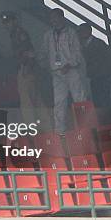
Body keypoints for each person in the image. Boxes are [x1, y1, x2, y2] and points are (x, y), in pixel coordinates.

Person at [2, 12, 52, 131]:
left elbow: (28, 52)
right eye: (5, 23)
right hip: (28, 69)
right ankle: (47, 127)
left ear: (14, 21)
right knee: (36, 99)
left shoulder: (19, 34)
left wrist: (25, 68)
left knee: (27, 101)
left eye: (8, 22)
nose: (6, 25)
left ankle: (32, 128)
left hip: (26, 69)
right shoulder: (15, 34)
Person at [41, 8, 87, 136]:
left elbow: (77, 53)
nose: (53, 20)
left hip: (71, 70)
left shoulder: (71, 33)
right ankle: (60, 131)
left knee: (79, 99)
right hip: (57, 73)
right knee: (59, 102)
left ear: (62, 18)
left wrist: (69, 64)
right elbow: (44, 53)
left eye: (56, 17)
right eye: (52, 18)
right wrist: (46, 66)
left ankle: (84, 127)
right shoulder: (48, 35)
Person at [78, 23, 111, 109]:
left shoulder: (98, 44)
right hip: (95, 76)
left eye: (82, 31)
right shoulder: (84, 46)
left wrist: (109, 73)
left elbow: (107, 59)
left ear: (89, 31)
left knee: (104, 99)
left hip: (102, 76)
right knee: (98, 100)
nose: (80, 33)